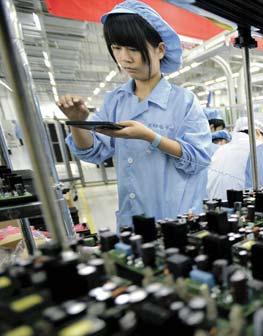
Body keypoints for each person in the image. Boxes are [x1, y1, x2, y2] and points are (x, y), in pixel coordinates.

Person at [59, 0, 211, 229]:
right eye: (117, 48)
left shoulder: (184, 101)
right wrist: (77, 122)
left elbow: (198, 159)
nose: (124, 58)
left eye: (133, 49)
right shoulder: (116, 100)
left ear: (160, 50)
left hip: (176, 217)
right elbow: (94, 152)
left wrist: (151, 137)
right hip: (133, 220)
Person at [207, 117, 263, 200]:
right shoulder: (258, 147)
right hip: (240, 205)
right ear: (257, 132)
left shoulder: (221, 149)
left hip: (213, 204)